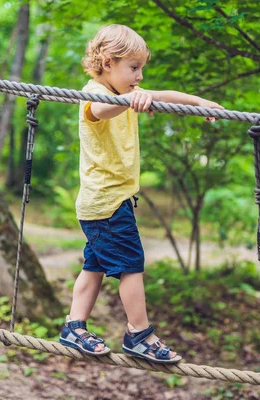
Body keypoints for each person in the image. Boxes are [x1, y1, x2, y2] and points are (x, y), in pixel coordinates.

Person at [59, 24, 223, 364]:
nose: (140, 75)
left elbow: (161, 94)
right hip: (106, 202)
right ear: (107, 62)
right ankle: (139, 334)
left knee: (94, 265)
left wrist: (198, 101)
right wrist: (128, 100)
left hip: (105, 202)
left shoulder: (127, 93)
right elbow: (101, 111)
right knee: (131, 266)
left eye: (141, 68)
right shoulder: (94, 93)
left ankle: (74, 327)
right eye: (133, 68)